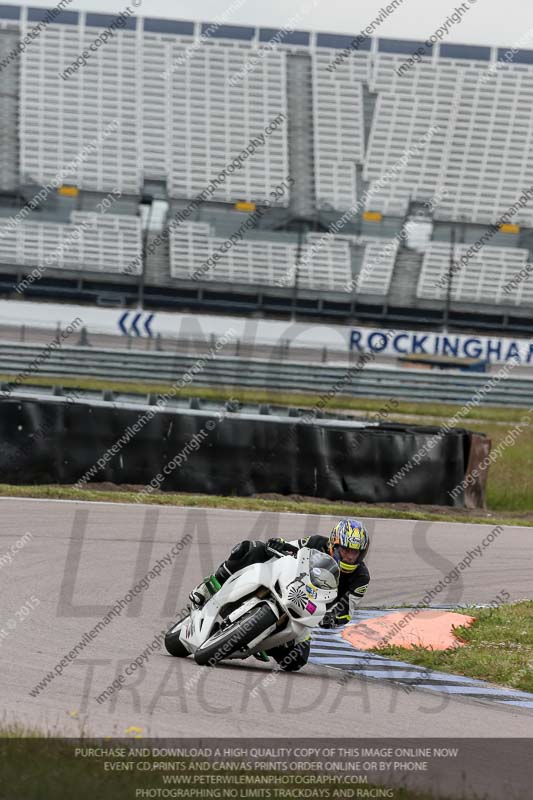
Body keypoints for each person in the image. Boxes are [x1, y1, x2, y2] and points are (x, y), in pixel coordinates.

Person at [189, 519, 371, 672]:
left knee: (296, 660)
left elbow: (347, 609)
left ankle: (267, 643)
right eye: (345, 550)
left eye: (354, 553)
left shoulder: (361, 577)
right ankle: (209, 586)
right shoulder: (317, 542)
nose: (349, 557)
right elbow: (291, 546)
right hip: (288, 584)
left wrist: (332, 618)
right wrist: (278, 544)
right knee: (251, 548)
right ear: (334, 544)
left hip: (308, 610)